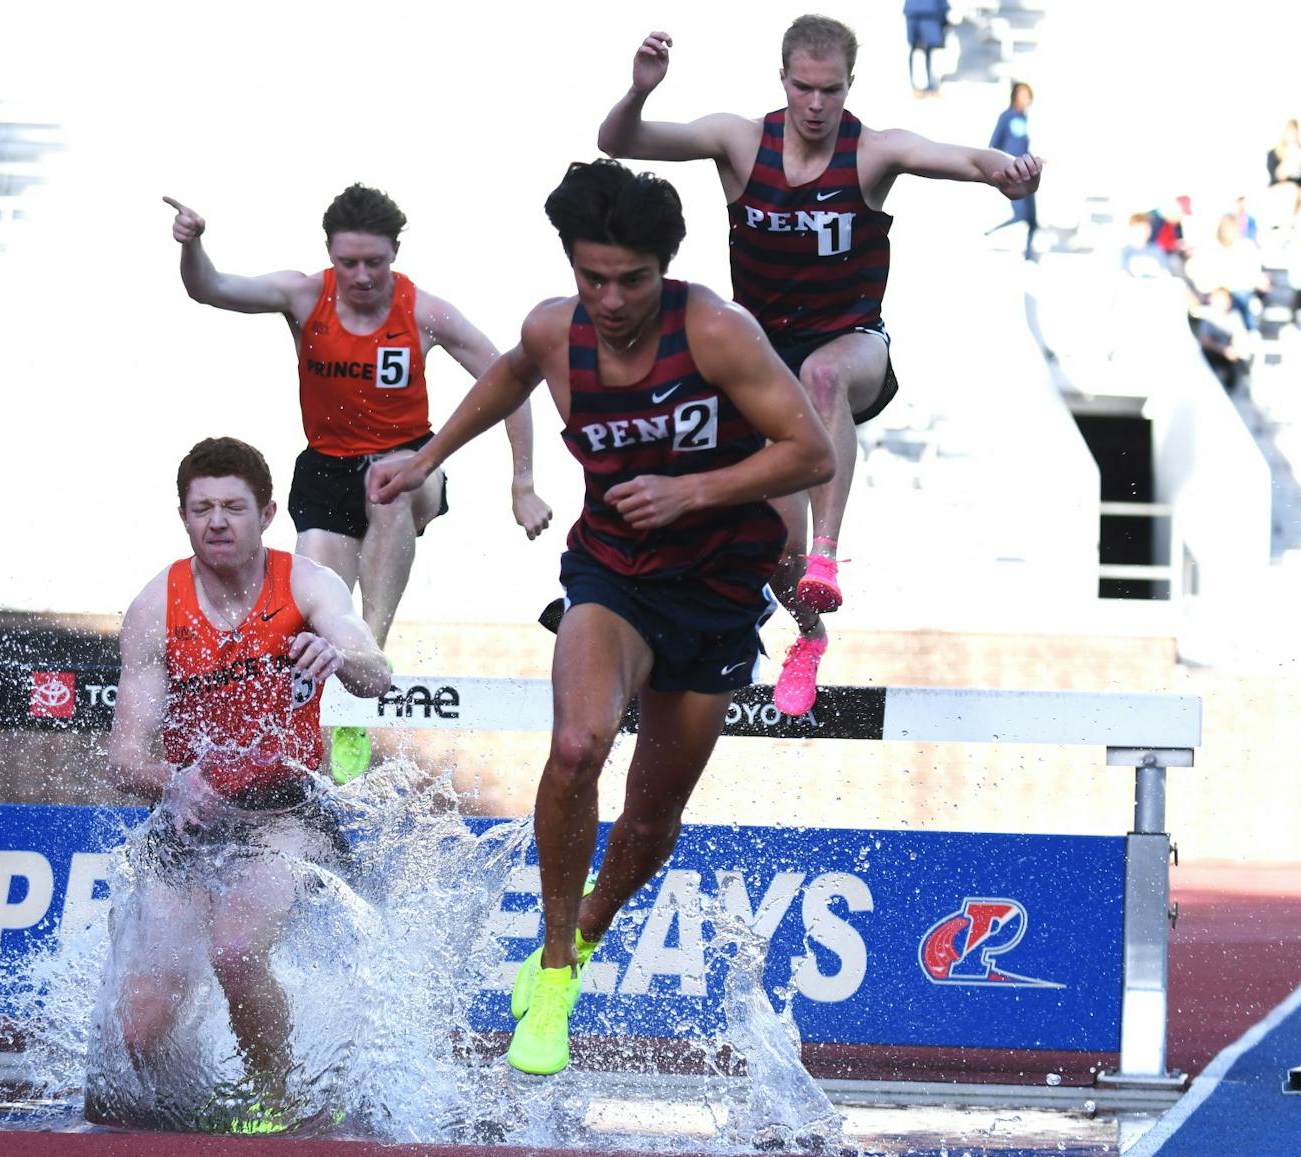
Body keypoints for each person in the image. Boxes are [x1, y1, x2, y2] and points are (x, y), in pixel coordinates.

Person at [369, 160, 836, 1075]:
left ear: (665, 269)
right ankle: (553, 973)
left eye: (632, 279)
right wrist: (426, 458)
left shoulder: (717, 331)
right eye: (593, 277)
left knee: (650, 818)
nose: (611, 298)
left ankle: (588, 926)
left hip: (716, 594)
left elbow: (810, 452)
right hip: (613, 574)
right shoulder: (555, 329)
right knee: (578, 746)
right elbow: (507, 378)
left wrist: (695, 488)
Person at [596, 18, 1042, 716]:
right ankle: (809, 634)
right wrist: (638, 91)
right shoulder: (740, 141)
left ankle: (830, 551)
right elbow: (617, 143)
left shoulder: (871, 152)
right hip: (764, 361)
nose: (815, 105)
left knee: (824, 378)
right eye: (803, 88)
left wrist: (1009, 176)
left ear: (848, 87)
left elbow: (965, 160)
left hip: (852, 340)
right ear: (782, 80)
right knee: (778, 556)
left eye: (830, 91)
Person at [164, 185, 551, 778]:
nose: (363, 276)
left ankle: (367, 663)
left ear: (395, 254)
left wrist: (522, 482)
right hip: (326, 467)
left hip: (410, 464)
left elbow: (513, 377)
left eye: (376, 262)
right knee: (309, 594)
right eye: (349, 263)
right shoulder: (300, 294)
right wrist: (194, 246)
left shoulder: (425, 313)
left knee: (385, 483)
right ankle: (302, 728)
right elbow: (209, 289)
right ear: (330, 255)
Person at [88, 436, 392, 1131]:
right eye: (203, 509)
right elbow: (124, 757)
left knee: (235, 951)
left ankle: (281, 1103)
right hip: (190, 817)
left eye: (233, 507)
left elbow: (379, 672)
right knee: (138, 1026)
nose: (217, 521)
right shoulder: (155, 608)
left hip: (283, 813)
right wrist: (174, 780)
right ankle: (180, 1110)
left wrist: (341, 653)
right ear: (184, 517)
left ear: (266, 513)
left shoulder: (308, 583)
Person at [985, 82, 1038, 260]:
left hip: (1028, 172)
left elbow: (1022, 145)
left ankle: (1029, 254)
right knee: (1020, 214)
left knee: (1032, 219)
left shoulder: (1025, 118)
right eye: (1023, 95)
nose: (1026, 99)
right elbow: (993, 144)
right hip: (1013, 172)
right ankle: (991, 234)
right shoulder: (1006, 117)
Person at [902, 0, 949, 95]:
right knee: (929, 48)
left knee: (917, 48)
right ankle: (929, 86)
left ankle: (920, 86)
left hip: (915, 9)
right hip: (930, 10)